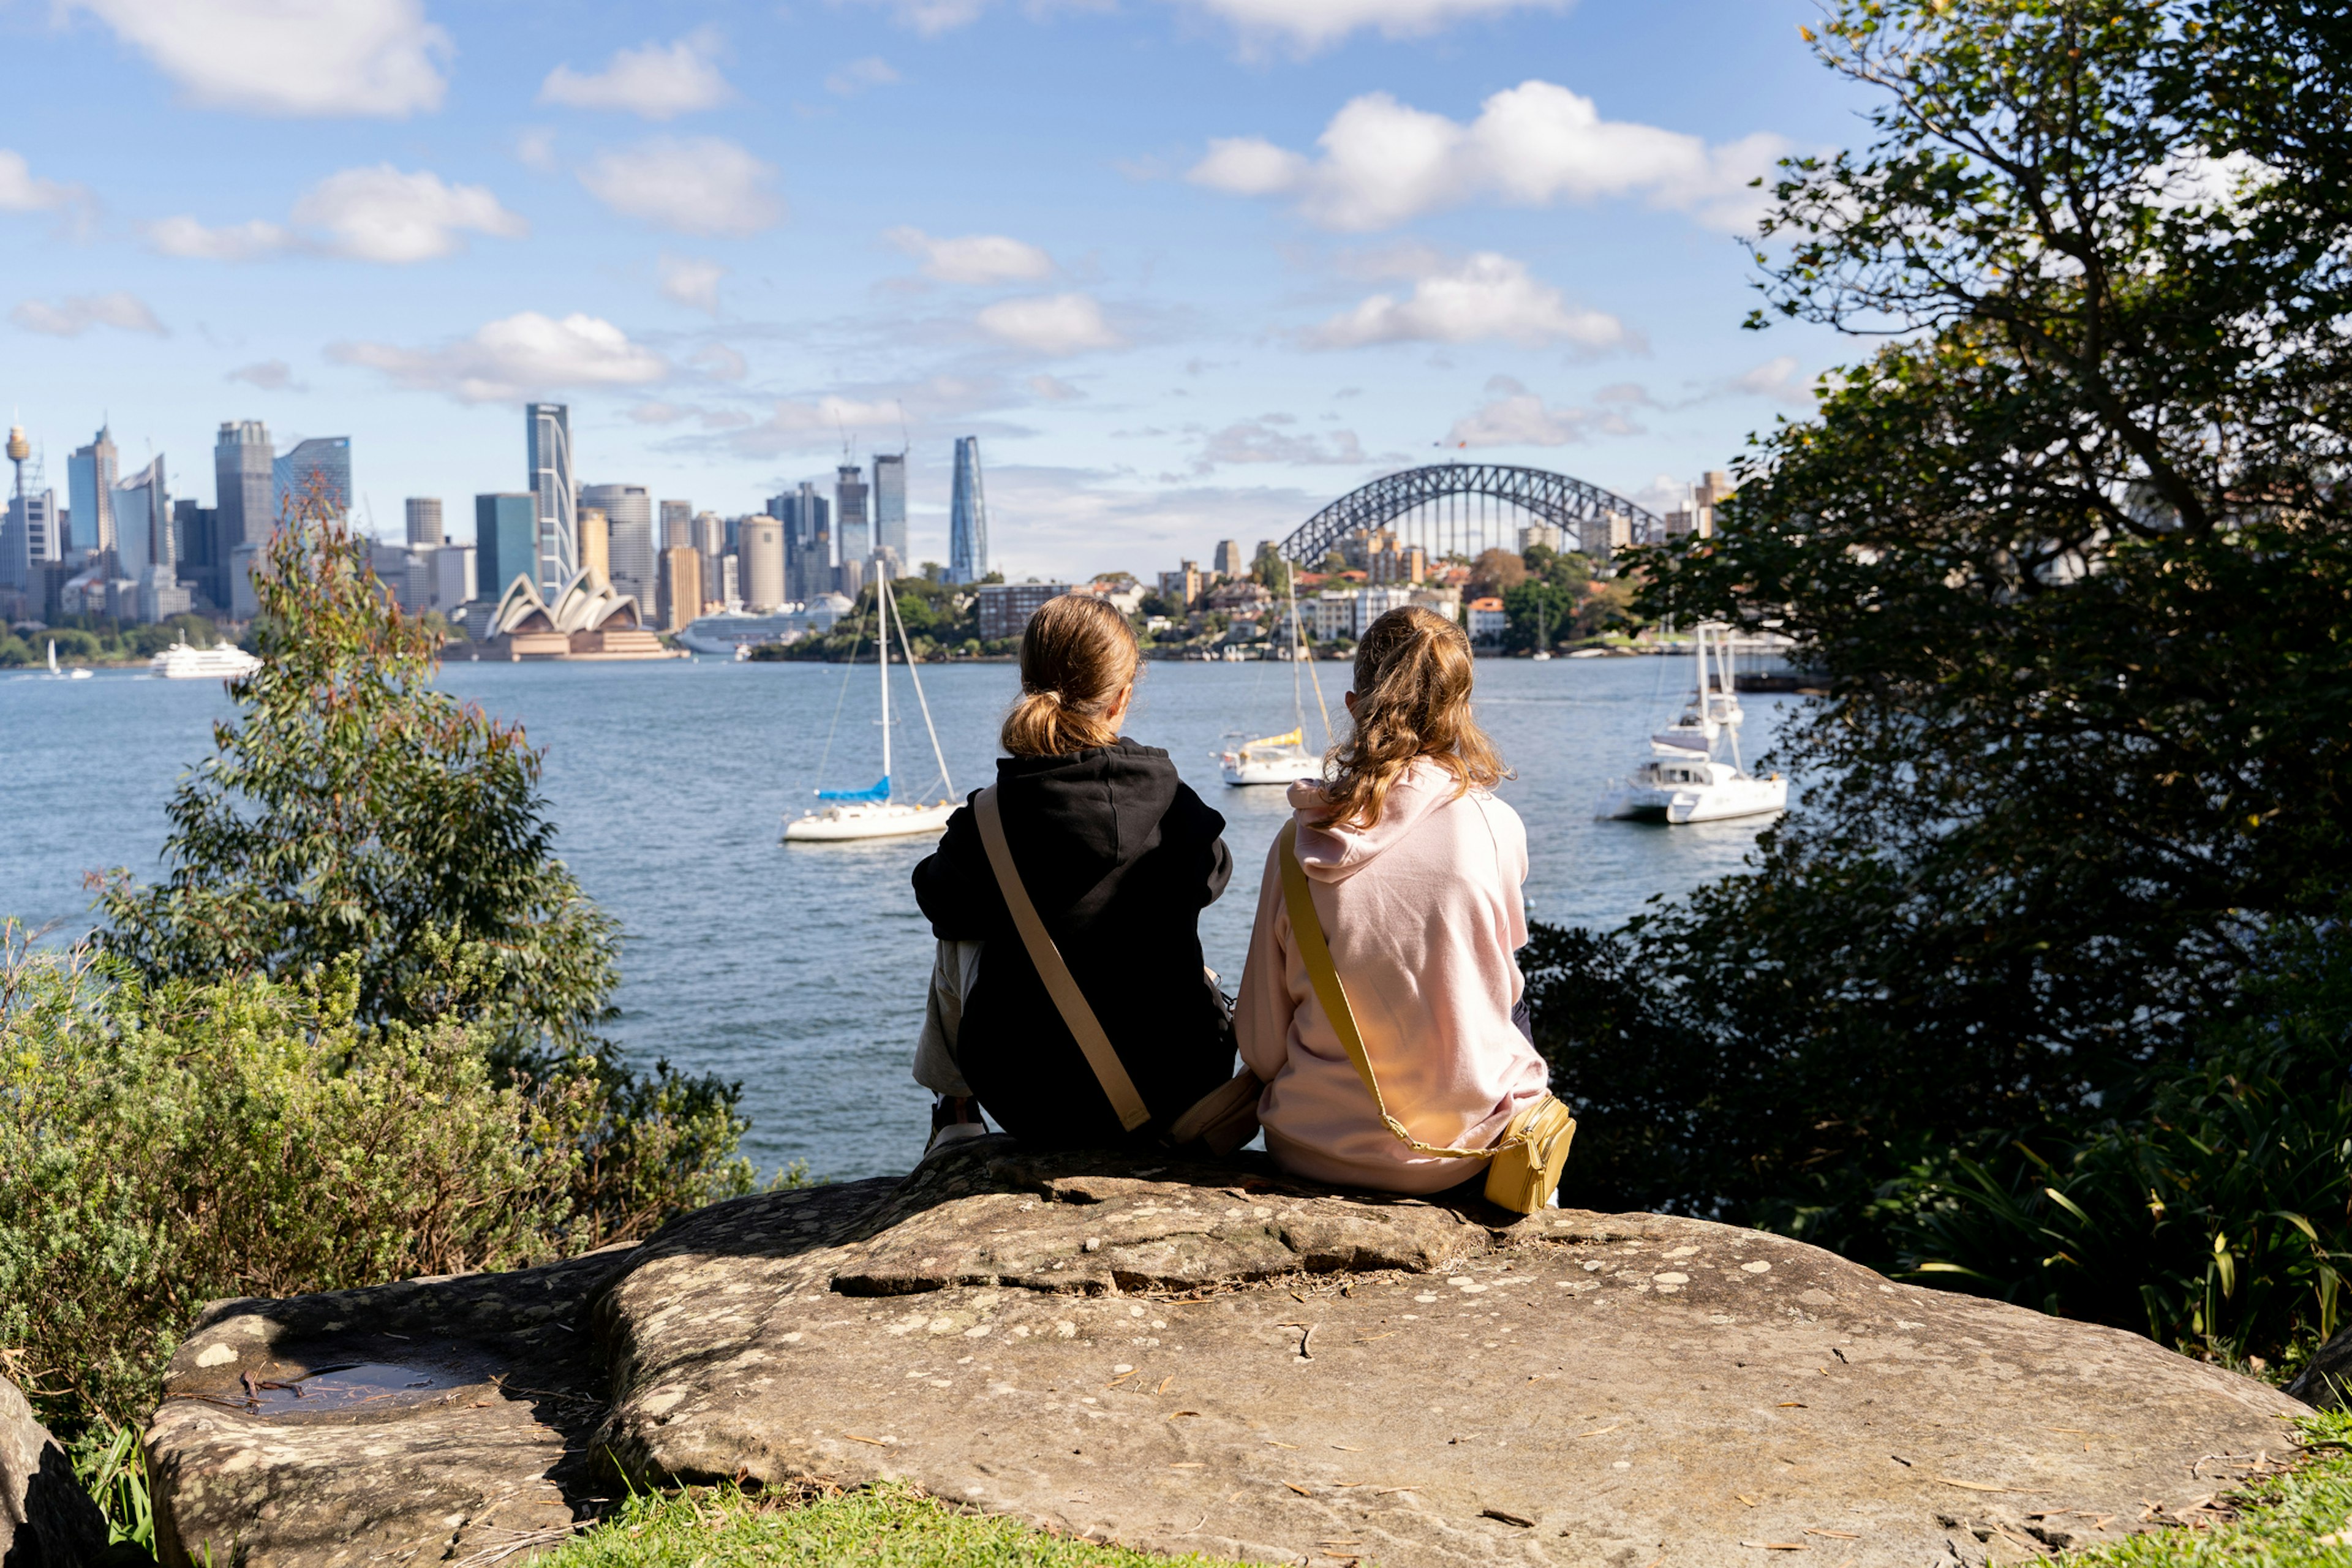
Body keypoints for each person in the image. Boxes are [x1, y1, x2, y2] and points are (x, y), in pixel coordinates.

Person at [1234, 605, 1549, 1193]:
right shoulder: (1495, 826)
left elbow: (1261, 1047)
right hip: (1460, 1155)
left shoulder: (1298, 844)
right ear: (1462, 713)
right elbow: (1497, 992)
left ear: (1354, 708)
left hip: (1310, 1148)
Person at [910, 593, 1236, 1153]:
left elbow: (936, 897)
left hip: (1037, 1101)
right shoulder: (1174, 802)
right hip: (1181, 1087)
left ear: (1027, 682)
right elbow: (1216, 872)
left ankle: (956, 1112)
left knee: (959, 935)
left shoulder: (991, 819)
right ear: (1122, 698)